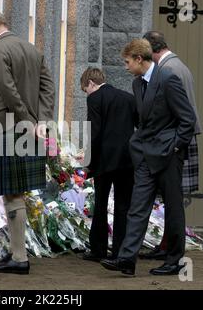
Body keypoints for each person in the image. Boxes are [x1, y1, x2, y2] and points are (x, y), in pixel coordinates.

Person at [100, 39, 196, 276]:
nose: (125, 67)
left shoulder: (168, 78)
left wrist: (174, 148)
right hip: (144, 155)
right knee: (137, 207)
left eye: (127, 62)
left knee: (174, 208)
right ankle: (126, 260)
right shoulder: (137, 84)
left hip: (168, 156)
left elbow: (188, 119)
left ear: (139, 59)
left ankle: (174, 261)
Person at [0, 9, 55, 275]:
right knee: (16, 192)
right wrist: (42, 120)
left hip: (12, 127)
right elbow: (48, 87)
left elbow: (7, 90)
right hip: (31, 128)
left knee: (12, 193)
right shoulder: (31, 49)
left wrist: (28, 121)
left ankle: (20, 258)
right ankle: (17, 253)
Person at [140, 30, 202, 260]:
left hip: (176, 138)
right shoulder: (178, 65)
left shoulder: (169, 69)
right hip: (179, 137)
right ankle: (166, 246)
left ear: (152, 50)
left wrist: (174, 144)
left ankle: (171, 251)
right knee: (170, 198)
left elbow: (181, 112)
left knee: (173, 199)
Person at [80, 67, 137, 262]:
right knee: (123, 206)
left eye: (84, 89)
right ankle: (121, 251)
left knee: (101, 204)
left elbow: (93, 134)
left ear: (90, 83)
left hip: (104, 160)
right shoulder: (128, 98)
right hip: (127, 160)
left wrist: (88, 162)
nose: (85, 93)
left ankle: (99, 249)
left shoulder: (94, 98)